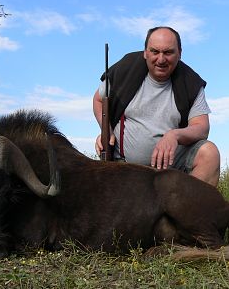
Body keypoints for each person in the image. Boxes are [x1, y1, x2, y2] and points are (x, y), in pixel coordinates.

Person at [93, 26, 220, 187]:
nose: (161, 59)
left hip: (172, 167)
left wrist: (174, 135)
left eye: (168, 52)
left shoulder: (191, 82)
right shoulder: (125, 69)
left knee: (209, 154)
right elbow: (98, 100)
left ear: (179, 53)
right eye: (155, 52)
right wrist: (107, 130)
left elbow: (202, 127)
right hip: (124, 165)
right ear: (145, 52)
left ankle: (183, 208)